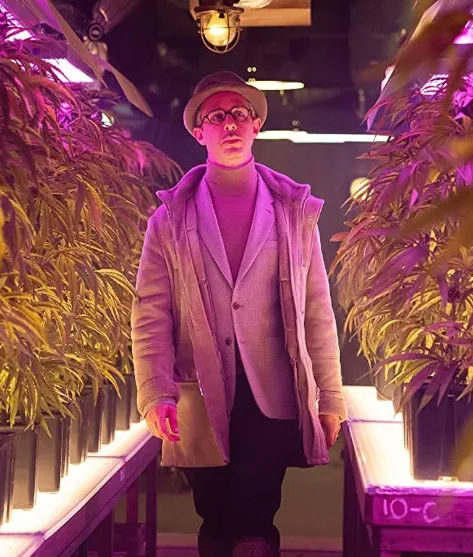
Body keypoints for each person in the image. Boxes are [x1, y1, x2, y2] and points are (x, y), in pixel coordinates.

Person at [131, 71, 347, 557]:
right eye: (216, 116)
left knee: (255, 518)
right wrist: (155, 392)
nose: (229, 124)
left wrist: (330, 396)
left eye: (239, 114)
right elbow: (151, 313)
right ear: (199, 132)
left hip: (272, 389)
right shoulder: (170, 219)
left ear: (256, 125)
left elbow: (317, 309)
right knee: (213, 517)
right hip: (200, 387)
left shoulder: (294, 211)